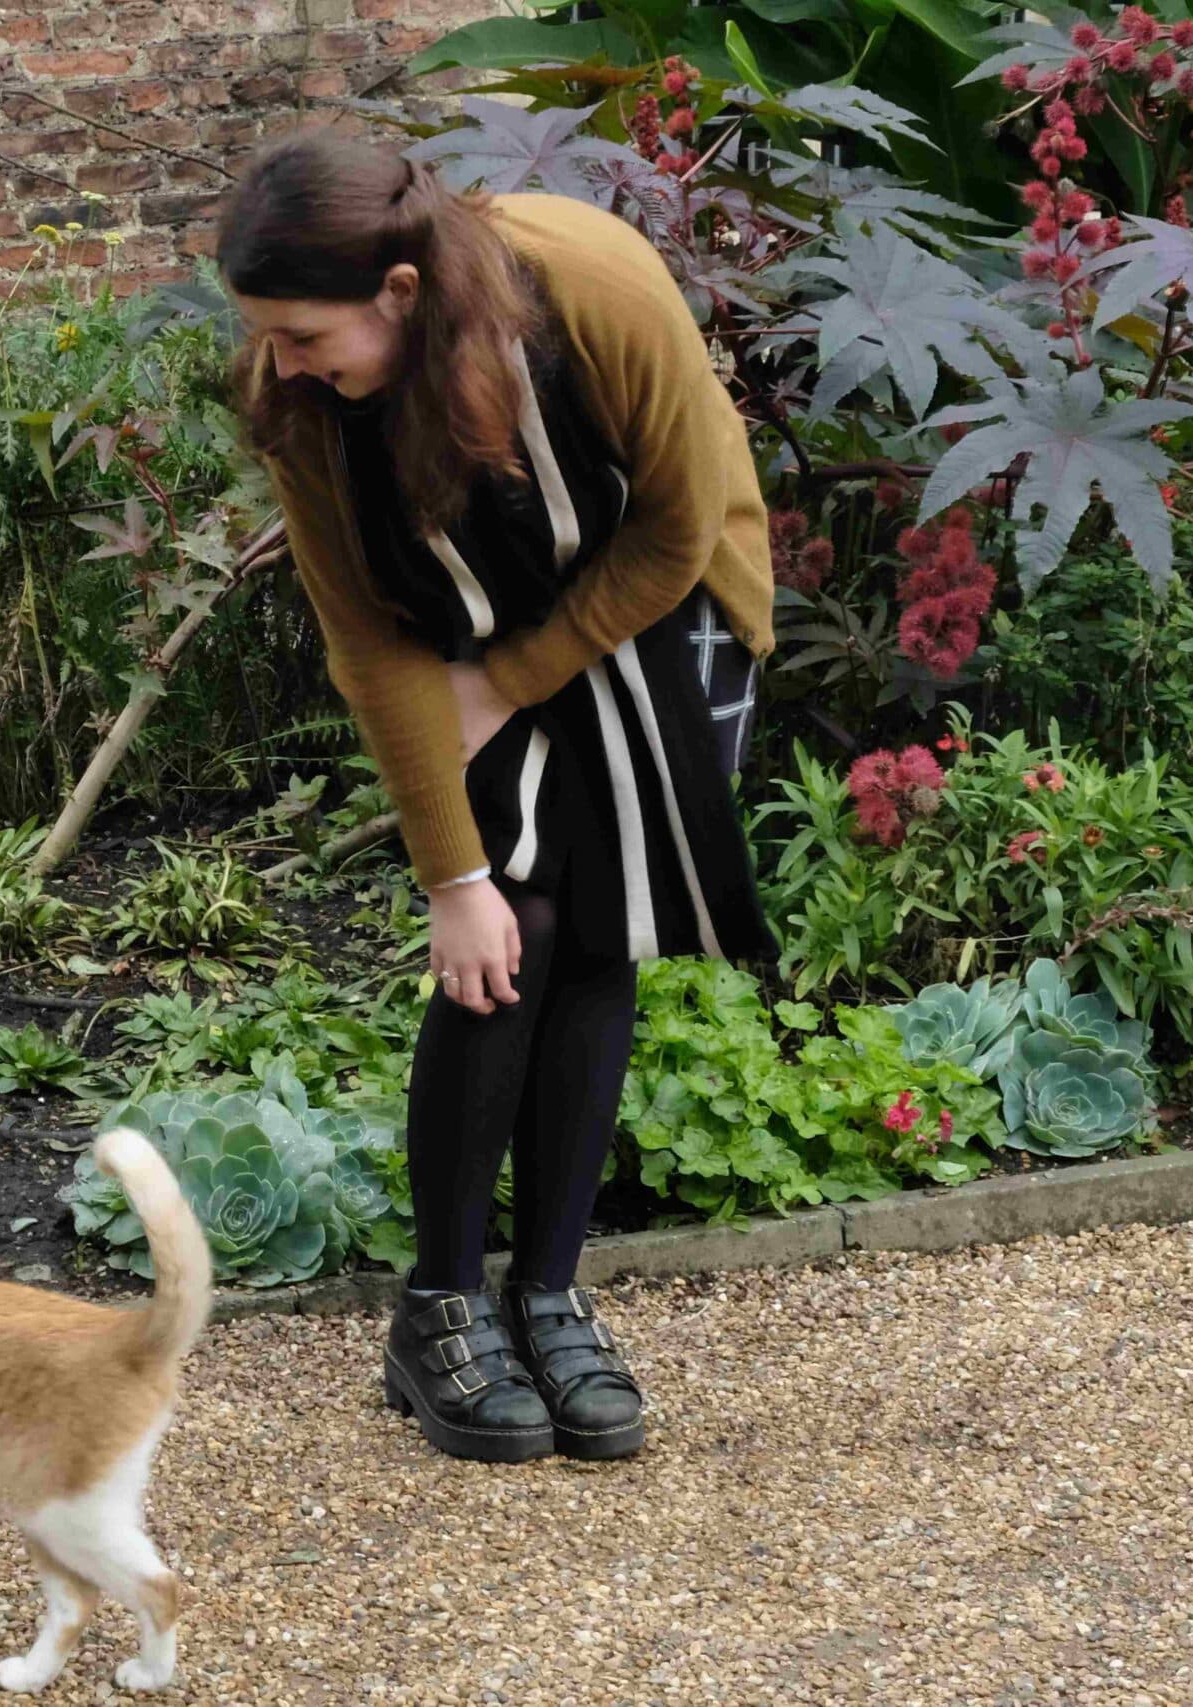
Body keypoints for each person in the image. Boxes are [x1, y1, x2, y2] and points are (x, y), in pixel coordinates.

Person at [217, 129, 780, 1464]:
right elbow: (371, 644)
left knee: (593, 929)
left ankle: (549, 1294)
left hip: (659, 602)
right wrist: (451, 882)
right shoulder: (303, 402)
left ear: (400, 296)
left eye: (303, 334)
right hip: (454, 629)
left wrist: (516, 681)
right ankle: (440, 1311)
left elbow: (675, 531)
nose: (281, 364)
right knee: (504, 933)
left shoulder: (594, 293)